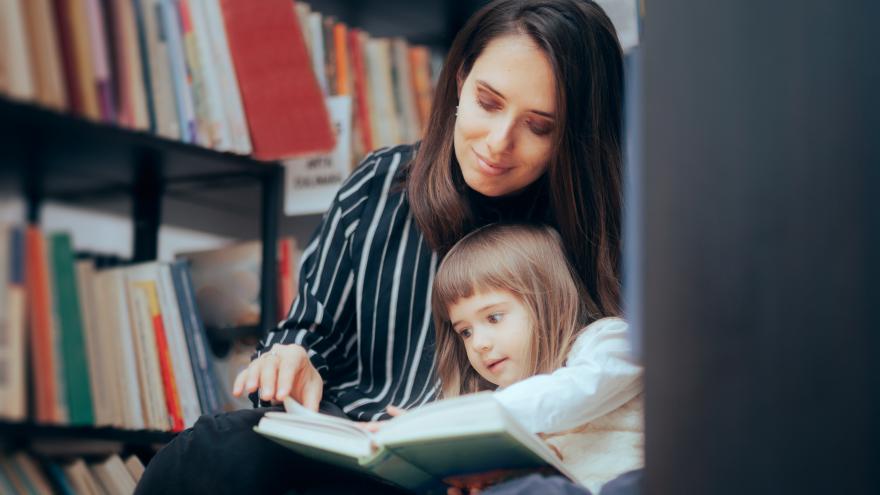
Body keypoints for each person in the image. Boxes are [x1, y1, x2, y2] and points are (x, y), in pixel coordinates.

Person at [135, 0, 626, 493]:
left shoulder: (591, 233)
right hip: (350, 445)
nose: (499, 142)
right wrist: (290, 358)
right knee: (217, 446)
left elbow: (606, 383)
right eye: (489, 102)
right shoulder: (380, 183)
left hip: (477, 471)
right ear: (459, 82)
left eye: (539, 126)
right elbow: (309, 329)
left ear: (572, 137)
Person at [431, 223, 642, 494]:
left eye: (494, 317)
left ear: (548, 299)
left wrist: (469, 418)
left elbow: (572, 394)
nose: (479, 344)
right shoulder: (507, 399)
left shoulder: (610, 341)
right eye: (466, 332)